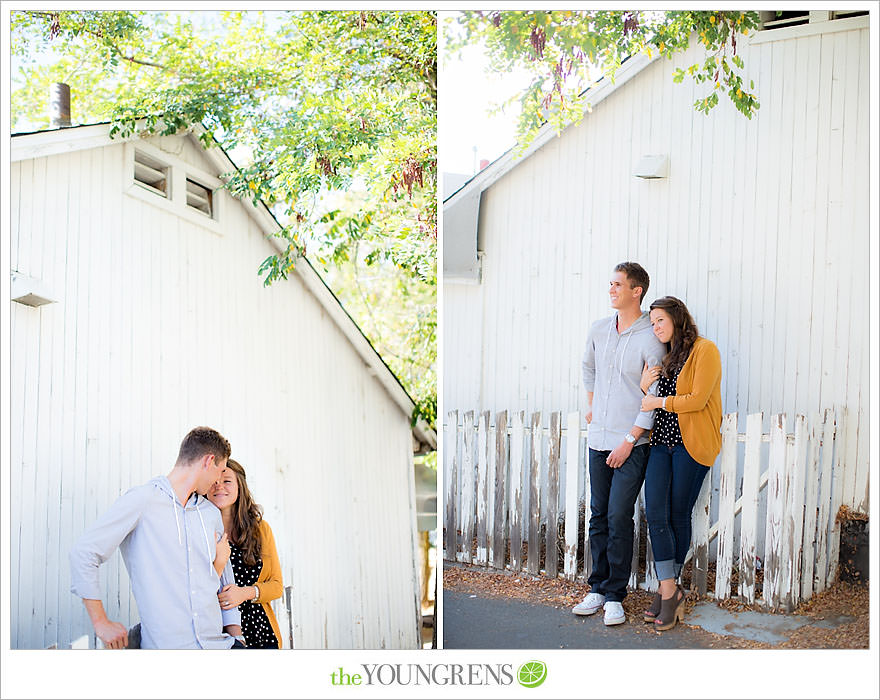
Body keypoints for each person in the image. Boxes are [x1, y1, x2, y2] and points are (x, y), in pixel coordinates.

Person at [69, 426, 245, 649]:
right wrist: (101, 622)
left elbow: (224, 583)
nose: (218, 481)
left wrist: (238, 639)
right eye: (220, 471)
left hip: (219, 646)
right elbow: (84, 553)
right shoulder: (143, 500)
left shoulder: (210, 514)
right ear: (208, 461)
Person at [572, 262, 666, 625]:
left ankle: (614, 595)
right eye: (610, 283)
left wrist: (630, 440)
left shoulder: (651, 337)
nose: (611, 289)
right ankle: (596, 588)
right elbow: (588, 368)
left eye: (617, 284)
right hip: (598, 439)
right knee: (598, 515)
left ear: (636, 291)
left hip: (632, 444)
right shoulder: (598, 329)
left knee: (617, 516)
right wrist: (592, 404)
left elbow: (654, 392)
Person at [639, 296, 722, 630]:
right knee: (655, 512)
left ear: (677, 318)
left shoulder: (705, 350)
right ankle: (670, 589)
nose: (656, 327)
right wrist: (645, 386)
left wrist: (657, 399)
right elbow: (647, 400)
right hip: (661, 443)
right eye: (653, 323)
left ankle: (667, 594)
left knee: (676, 515)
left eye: (660, 320)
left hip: (691, 444)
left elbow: (698, 400)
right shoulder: (666, 356)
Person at [208, 458, 283, 648]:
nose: (219, 487)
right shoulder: (200, 532)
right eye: (213, 481)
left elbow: (276, 585)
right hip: (218, 631)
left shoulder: (260, 529)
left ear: (240, 486)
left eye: (226, 481)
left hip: (261, 631)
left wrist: (244, 593)